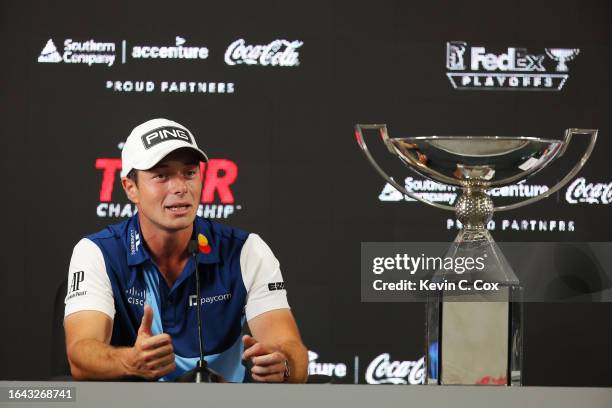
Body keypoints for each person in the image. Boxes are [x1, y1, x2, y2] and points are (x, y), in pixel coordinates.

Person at [64, 118, 308, 382]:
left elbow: (293, 353)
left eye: (189, 173)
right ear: (130, 187)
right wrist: (129, 360)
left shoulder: (246, 251)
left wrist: (282, 365)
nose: (180, 188)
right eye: (161, 175)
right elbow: (80, 355)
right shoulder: (97, 252)